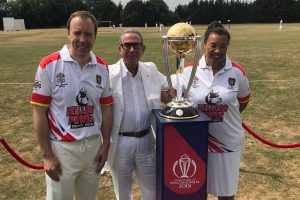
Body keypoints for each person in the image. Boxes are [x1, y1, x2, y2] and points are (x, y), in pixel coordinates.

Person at [30, 11, 113, 200]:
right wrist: (47, 155)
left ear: (95, 36)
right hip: (62, 149)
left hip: (93, 148)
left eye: (88, 34)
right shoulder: (49, 65)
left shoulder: (102, 66)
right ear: (68, 33)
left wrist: (106, 143)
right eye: (77, 33)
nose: (82, 39)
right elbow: (39, 111)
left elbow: (107, 108)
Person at [172, 21, 251, 200]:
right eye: (213, 45)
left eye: (223, 46)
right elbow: (171, 96)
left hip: (227, 142)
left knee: (226, 193)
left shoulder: (237, 72)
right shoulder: (187, 70)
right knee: (197, 190)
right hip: (195, 141)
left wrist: (221, 113)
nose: (218, 50)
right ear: (204, 44)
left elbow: (243, 101)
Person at [106, 29, 170, 200]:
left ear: (143, 49)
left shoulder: (151, 69)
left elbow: (168, 89)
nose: (132, 50)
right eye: (127, 45)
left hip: (147, 140)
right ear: (120, 48)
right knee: (123, 193)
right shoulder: (108, 74)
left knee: (152, 191)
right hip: (120, 142)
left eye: (136, 45)